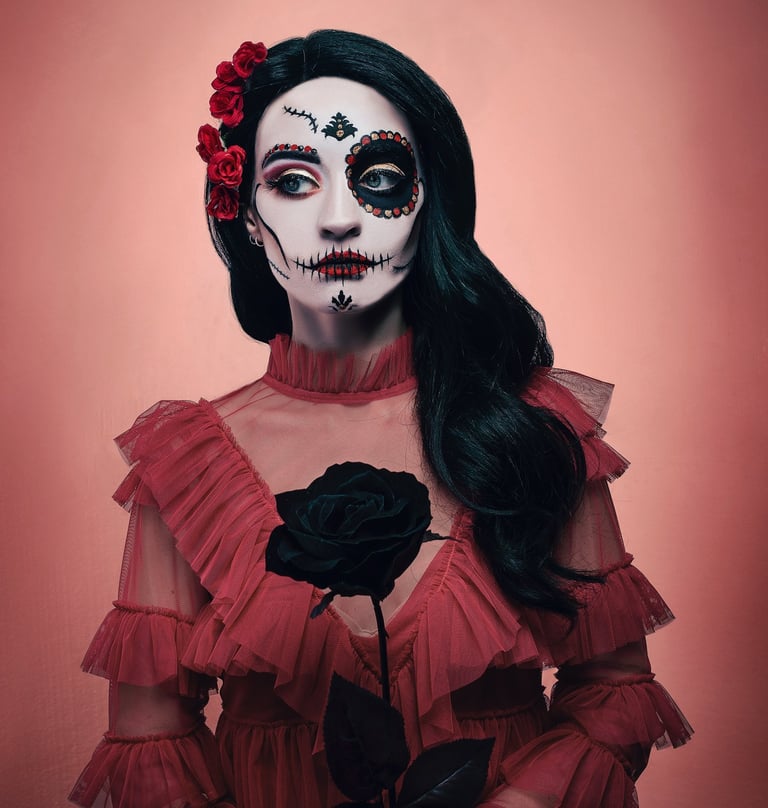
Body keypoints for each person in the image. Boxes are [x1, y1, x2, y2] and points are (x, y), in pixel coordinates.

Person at [70, 30, 691, 808]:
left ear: (427, 202)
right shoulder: (186, 463)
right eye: (294, 181)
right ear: (248, 217)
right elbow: (151, 743)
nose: (339, 220)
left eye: (380, 178)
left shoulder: (533, 429)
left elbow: (614, 692)